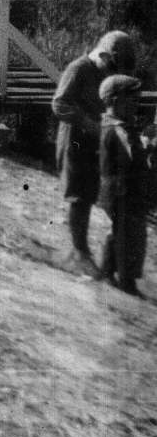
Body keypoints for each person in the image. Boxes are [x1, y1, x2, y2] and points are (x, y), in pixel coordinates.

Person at [52, 30, 137, 264]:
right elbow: (59, 104)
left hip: (96, 142)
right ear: (104, 56)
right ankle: (80, 251)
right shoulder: (79, 69)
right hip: (74, 140)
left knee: (89, 194)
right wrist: (86, 122)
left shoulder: (109, 72)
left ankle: (81, 249)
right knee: (78, 196)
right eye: (112, 68)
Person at [95, 73, 148, 298]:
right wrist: (148, 146)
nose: (136, 106)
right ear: (115, 101)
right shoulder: (117, 128)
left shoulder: (112, 125)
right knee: (130, 235)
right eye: (132, 101)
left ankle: (108, 271)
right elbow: (132, 156)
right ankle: (126, 280)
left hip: (116, 188)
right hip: (121, 189)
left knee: (118, 232)